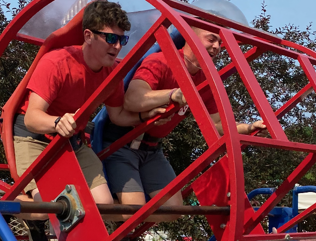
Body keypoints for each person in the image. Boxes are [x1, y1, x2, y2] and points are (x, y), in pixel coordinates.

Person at [0, 0, 165, 241]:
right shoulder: (56, 62)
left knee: (103, 205)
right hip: (35, 136)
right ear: (88, 36)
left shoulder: (111, 74)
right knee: (49, 209)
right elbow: (32, 117)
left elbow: (117, 116)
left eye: (122, 41)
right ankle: (6, 206)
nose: (117, 47)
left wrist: (146, 118)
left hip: (71, 140)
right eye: (111, 39)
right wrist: (57, 122)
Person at [101, 24, 267, 213]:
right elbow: (132, 99)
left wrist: (249, 128)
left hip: (152, 149)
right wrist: (172, 95)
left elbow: (217, 124)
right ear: (190, 37)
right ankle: (101, 218)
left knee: (174, 209)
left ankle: (118, 226)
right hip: (123, 141)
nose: (217, 47)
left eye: (220, 43)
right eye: (211, 39)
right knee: (135, 209)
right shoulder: (161, 62)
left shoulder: (206, 81)